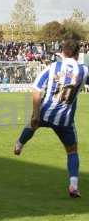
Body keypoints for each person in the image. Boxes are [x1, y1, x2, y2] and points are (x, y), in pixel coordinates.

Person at [14, 39, 89, 198]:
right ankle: (73, 186)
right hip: (65, 120)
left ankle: (19, 144)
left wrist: (36, 113)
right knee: (72, 151)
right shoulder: (84, 71)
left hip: (46, 112)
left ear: (62, 52)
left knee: (32, 124)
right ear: (77, 54)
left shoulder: (53, 67)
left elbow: (36, 89)